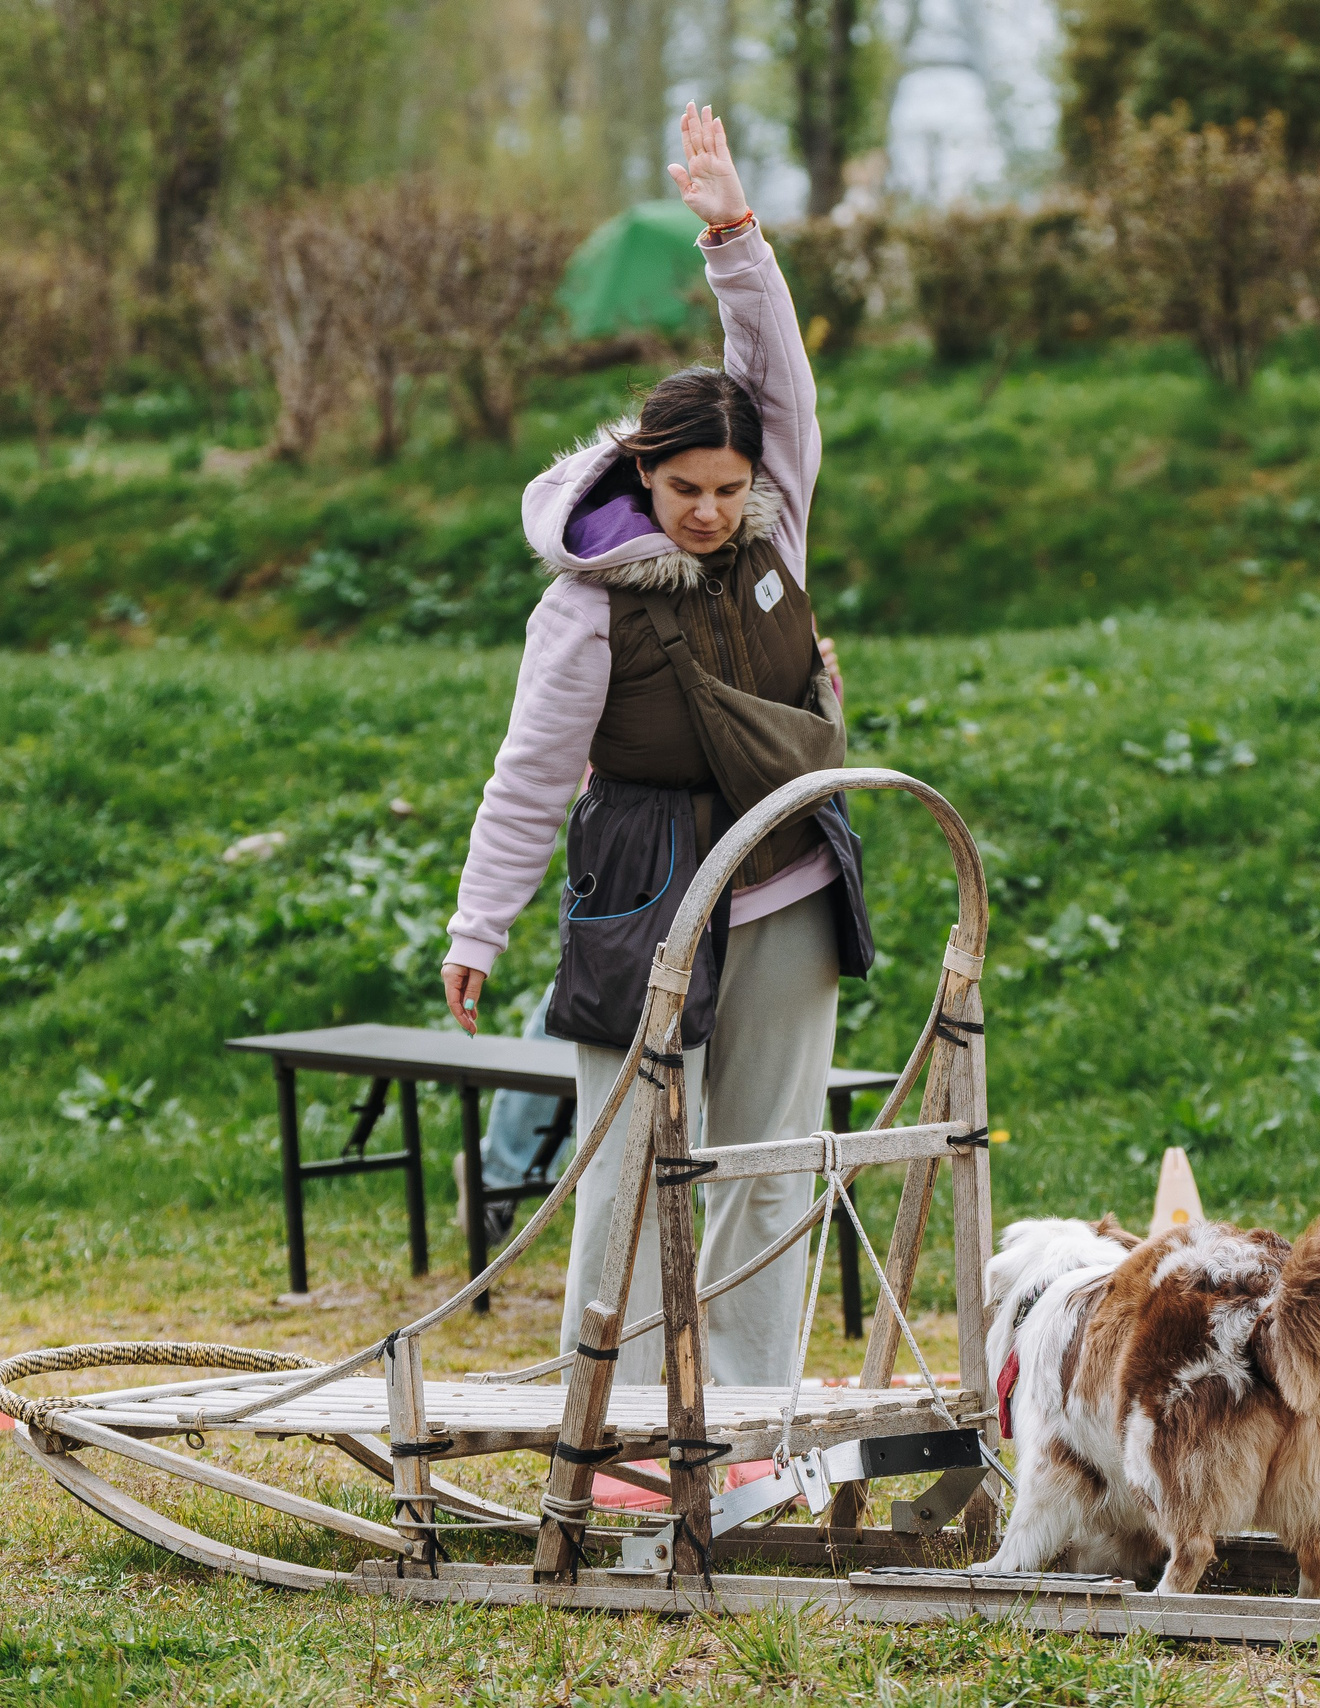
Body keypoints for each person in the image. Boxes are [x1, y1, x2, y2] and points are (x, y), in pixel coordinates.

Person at [439, 104, 872, 1390]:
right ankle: (621, 1419)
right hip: (642, 885)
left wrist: (734, 233)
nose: (710, 511)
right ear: (646, 476)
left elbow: (776, 372)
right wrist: (478, 928)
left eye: (729, 489)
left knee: (771, 1154)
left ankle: (748, 1424)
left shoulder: (773, 525)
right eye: (686, 489)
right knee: (624, 1153)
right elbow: (527, 776)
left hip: (785, 870)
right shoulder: (584, 603)